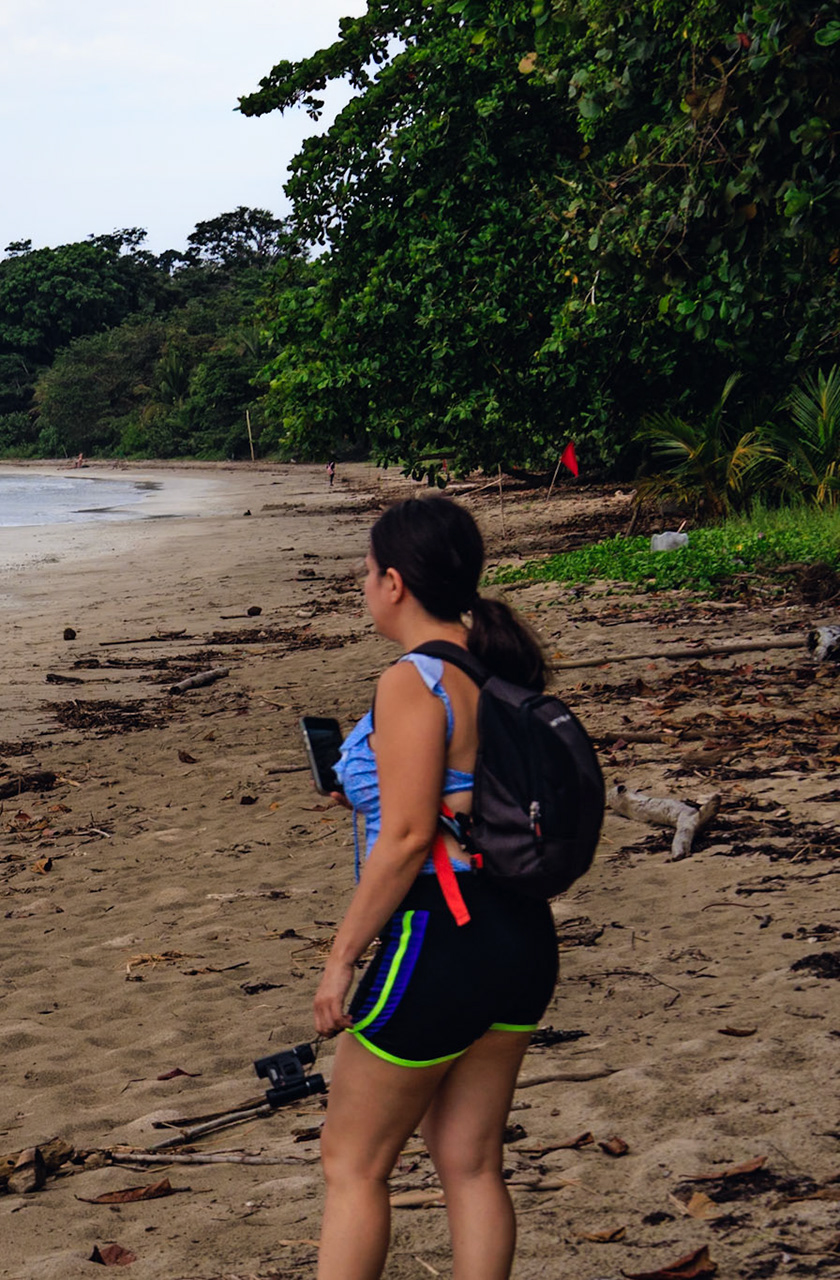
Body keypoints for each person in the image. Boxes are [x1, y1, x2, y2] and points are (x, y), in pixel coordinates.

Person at [315, 496, 555, 1280]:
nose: (364, 587)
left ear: (394, 582)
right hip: (521, 934)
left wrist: (341, 959)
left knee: (352, 1164)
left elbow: (409, 837)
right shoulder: (496, 667)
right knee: (472, 1162)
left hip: (441, 936)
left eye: (366, 573)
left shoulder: (413, 680)